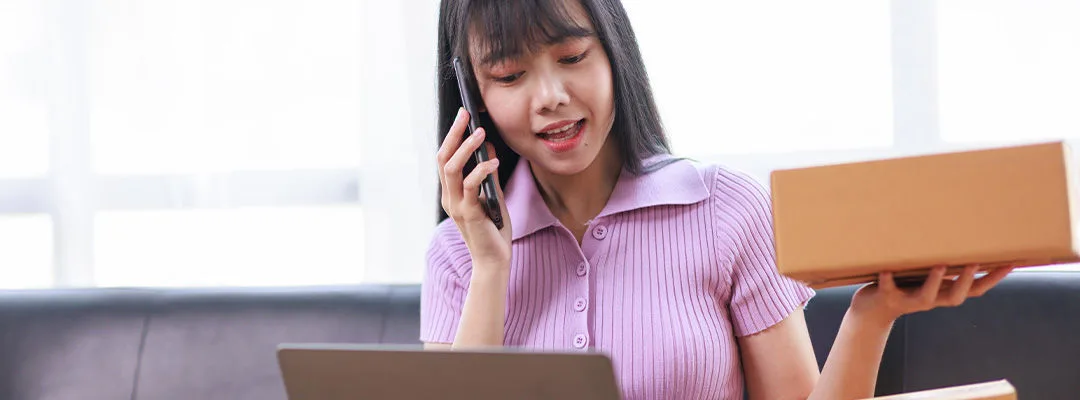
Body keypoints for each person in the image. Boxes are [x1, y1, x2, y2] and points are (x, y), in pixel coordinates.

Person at [421, 0, 1014, 398]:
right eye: (507, 76)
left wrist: (871, 313)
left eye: (573, 58)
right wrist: (491, 267)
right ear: (472, 98)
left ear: (615, 56)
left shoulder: (726, 210)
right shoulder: (458, 257)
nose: (550, 96)